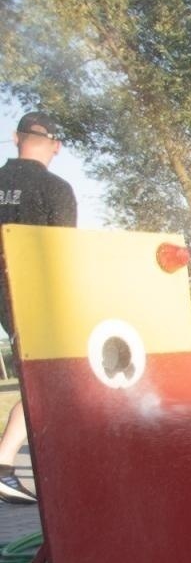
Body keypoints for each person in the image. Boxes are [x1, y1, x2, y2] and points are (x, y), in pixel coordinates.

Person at [0, 112, 76, 505]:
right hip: (33, 297)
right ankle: (3, 464)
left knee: (45, 383)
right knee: (47, 383)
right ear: (56, 145)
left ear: (16, 138)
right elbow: (63, 254)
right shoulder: (55, 189)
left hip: (4, 297)